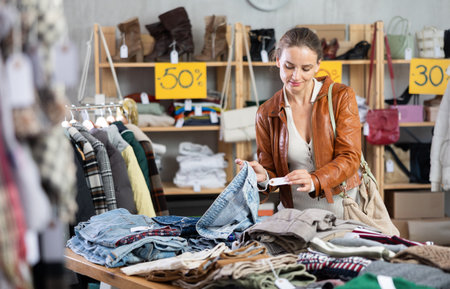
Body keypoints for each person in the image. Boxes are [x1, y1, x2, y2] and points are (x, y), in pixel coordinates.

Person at [236, 27, 362, 218]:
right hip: (295, 217)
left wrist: (315, 179)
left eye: (306, 69)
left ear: (318, 65)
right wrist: (263, 177)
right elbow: (271, 170)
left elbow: (350, 157)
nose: (296, 76)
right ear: (278, 60)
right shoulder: (266, 113)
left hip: (344, 213)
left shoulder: (340, 97)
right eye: (289, 66)